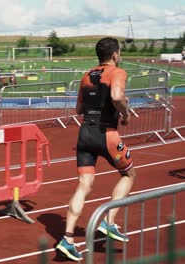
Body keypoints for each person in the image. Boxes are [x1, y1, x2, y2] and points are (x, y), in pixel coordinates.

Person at [56, 37, 137, 261]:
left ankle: (68, 239)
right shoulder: (117, 72)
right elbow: (116, 96)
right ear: (115, 55)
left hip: (85, 134)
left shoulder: (85, 76)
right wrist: (126, 113)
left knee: (84, 185)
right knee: (129, 174)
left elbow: (79, 108)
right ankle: (109, 222)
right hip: (107, 134)